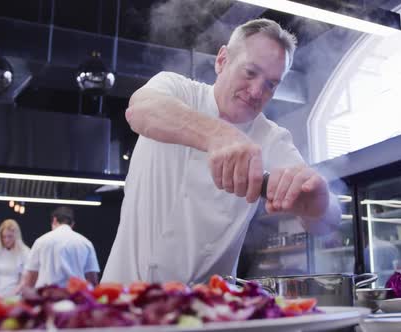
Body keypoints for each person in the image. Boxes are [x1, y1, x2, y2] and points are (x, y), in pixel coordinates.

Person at [102, 18, 341, 285]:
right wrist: (218, 135)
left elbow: (328, 222)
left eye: (271, 84)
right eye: (250, 72)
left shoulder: (272, 139)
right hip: (120, 296)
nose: (256, 91)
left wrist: (319, 203)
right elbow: (140, 110)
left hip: (208, 313)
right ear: (222, 60)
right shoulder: (178, 91)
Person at [22, 207, 100, 288]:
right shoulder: (85, 243)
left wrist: (29, 296)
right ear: (72, 223)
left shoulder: (41, 241)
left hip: (46, 296)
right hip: (75, 295)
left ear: (54, 220)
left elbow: (31, 275)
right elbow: (92, 278)